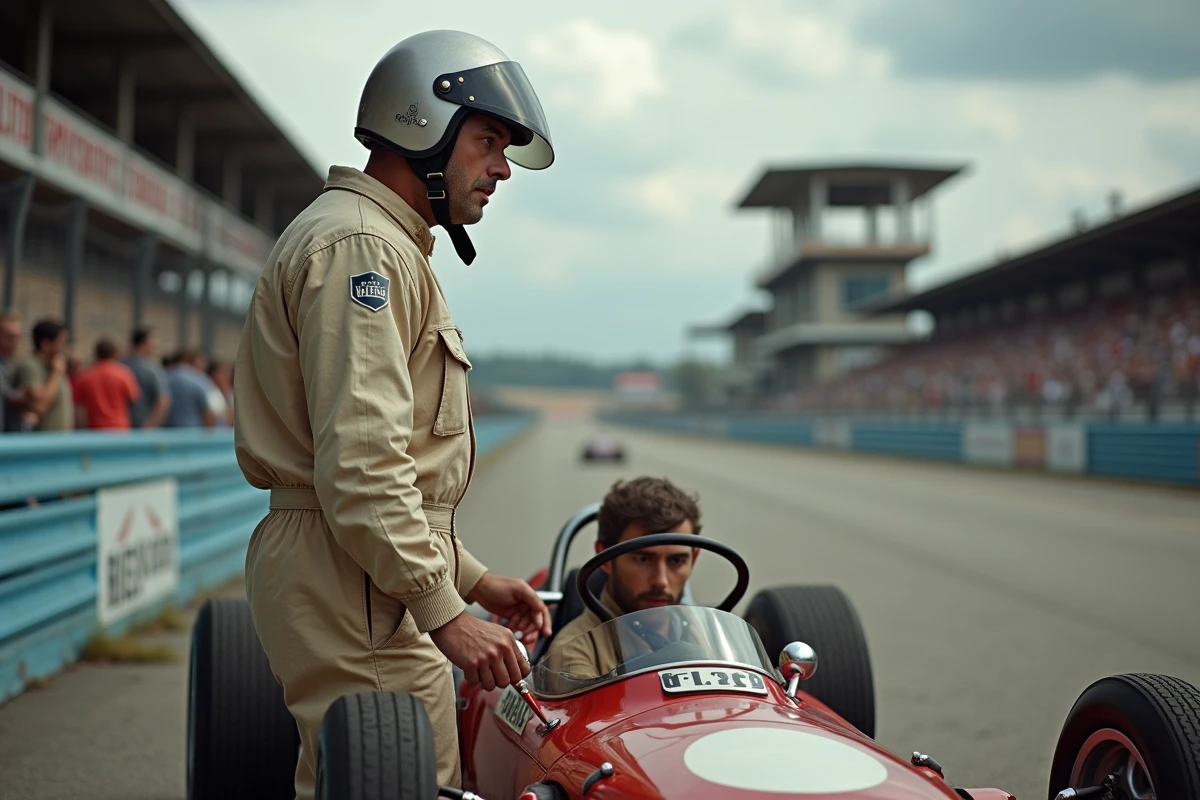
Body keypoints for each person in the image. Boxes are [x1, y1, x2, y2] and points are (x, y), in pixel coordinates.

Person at [232, 30, 556, 796]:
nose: (502, 168)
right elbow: (365, 467)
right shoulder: (361, 249)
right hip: (356, 584)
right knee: (404, 781)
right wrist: (446, 610)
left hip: (360, 572)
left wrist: (472, 579)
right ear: (421, 125)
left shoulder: (381, 245)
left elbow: (384, 461)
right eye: (487, 141)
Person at [550, 477, 703, 680]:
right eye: (643, 559)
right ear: (604, 558)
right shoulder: (573, 651)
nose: (661, 581)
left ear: (694, 558)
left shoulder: (714, 639)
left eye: (676, 560)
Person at [12, 319, 73, 432]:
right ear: (45, 344)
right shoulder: (30, 366)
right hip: (43, 442)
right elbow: (40, 407)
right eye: (61, 343)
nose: (65, 348)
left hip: (61, 440)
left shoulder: (54, 366)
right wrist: (55, 374)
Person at [73, 338, 141, 431]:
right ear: (114, 354)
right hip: (120, 428)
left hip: (96, 428)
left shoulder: (86, 376)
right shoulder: (124, 374)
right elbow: (134, 397)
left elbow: (79, 404)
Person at [121, 327, 171, 429]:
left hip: (119, 429)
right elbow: (163, 401)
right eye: (152, 345)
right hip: (142, 427)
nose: (155, 348)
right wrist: (148, 427)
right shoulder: (153, 370)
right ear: (143, 345)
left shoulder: (119, 365)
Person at [163, 349, 220, 429]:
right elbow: (210, 413)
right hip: (194, 435)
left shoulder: (164, 376)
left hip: (166, 434)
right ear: (195, 361)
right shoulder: (200, 380)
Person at [0, 311, 34, 432]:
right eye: (10, 337)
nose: (15, 342)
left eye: (18, 337)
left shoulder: (10, 365)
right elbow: (9, 396)